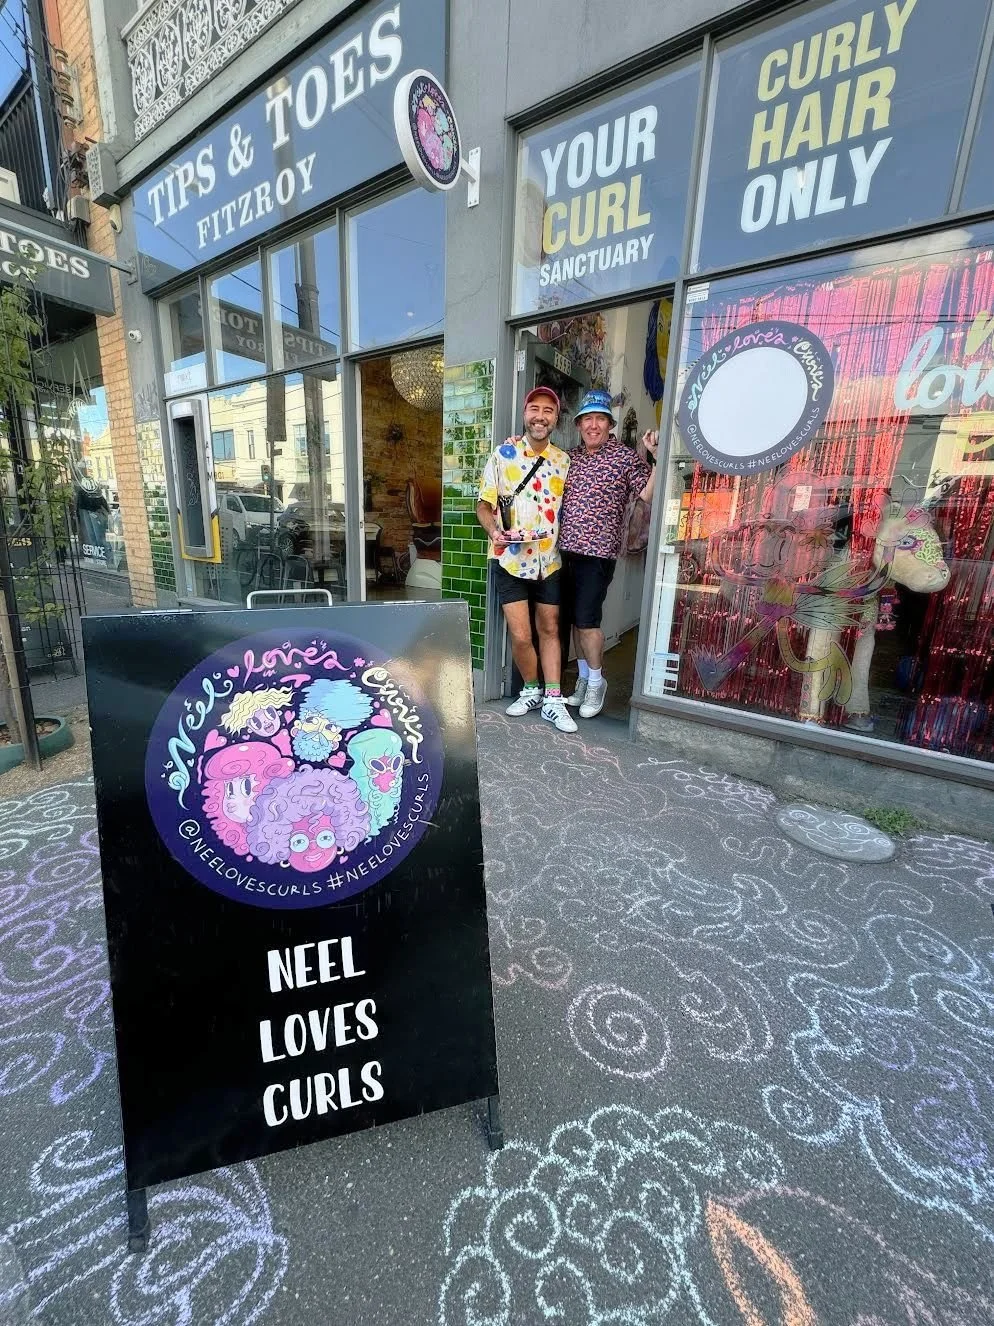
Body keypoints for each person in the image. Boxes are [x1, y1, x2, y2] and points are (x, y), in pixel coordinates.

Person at [476, 386, 577, 733]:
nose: (540, 416)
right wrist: (494, 532)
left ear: (555, 419)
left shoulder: (564, 462)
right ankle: (531, 690)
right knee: (520, 635)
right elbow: (484, 504)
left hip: (548, 559)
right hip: (510, 558)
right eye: (534, 408)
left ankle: (553, 699)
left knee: (549, 627)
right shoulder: (502, 454)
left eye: (548, 410)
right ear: (525, 414)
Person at [559, 388, 659, 718]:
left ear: (609, 424)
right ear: (578, 424)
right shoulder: (569, 457)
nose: (593, 425)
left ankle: (597, 681)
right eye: (587, 418)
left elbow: (647, 494)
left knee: (588, 622)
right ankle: (584, 681)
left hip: (598, 554)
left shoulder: (624, 457)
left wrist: (656, 457)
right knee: (576, 620)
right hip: (564, 552)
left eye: (600, 419)